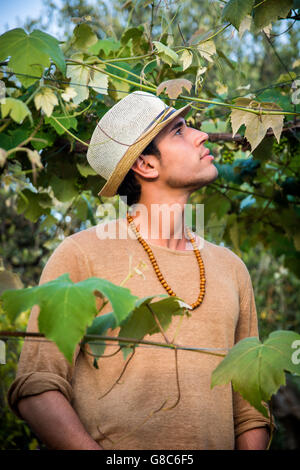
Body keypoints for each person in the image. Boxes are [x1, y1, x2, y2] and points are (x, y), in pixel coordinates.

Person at [8, 91, 270, 450]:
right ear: (146, 165)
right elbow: (37, 386)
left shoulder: (232, 268)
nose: (201, 134)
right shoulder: (81, 255)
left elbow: (251, 409)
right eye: (179, 131)